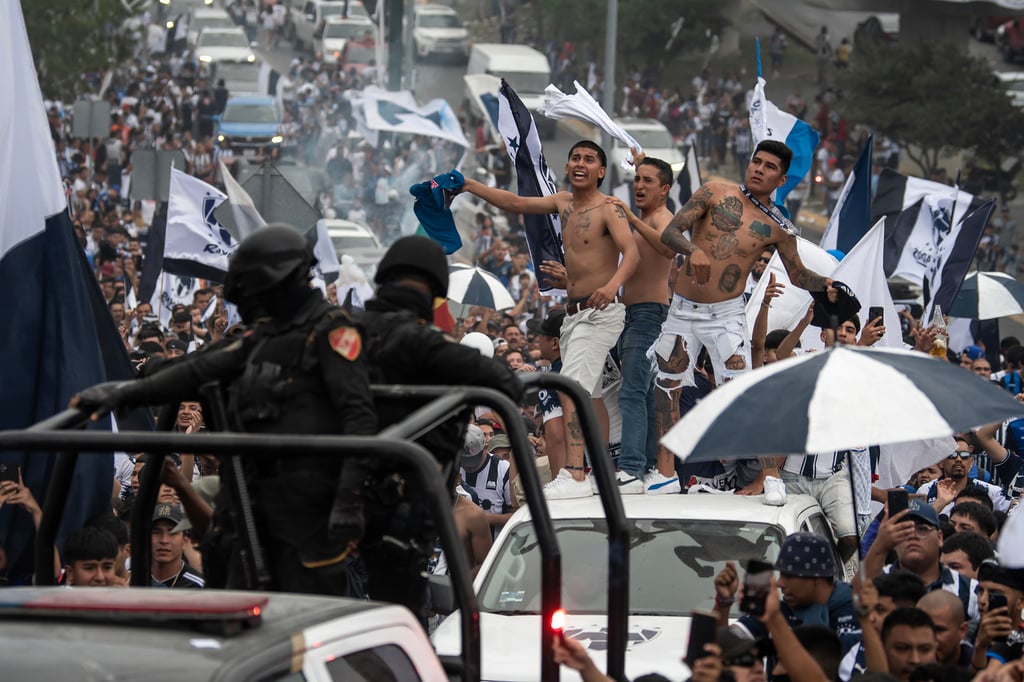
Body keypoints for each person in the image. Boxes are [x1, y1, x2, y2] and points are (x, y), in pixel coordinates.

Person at [72, 224, 378, 595]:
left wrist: (348, 502)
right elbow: (197, 368)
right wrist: (123, 392)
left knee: (296, 623)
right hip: (248, 504)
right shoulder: (262, 337)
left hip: (308, 515)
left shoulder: (331, 334)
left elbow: (359, 420)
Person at [653, 140, 839, 493]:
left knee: (745, 393)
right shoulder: (713, 191)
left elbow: (798, 274)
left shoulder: (777, 226)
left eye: (769, 166)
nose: (758, 169)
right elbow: (671, 232)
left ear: (781, 179)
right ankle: (663, 477)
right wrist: (694, 250)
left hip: (726, 314)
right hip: (681, 308)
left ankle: (769, 476)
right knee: (668, 387)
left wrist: (825, 284)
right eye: (756, 161)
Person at [459, 141, 640, 499]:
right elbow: (515, 203)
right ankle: (600, 469)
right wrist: (468, 184)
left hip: (598, 313)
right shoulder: (562, 202)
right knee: (595, 396)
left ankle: (574, 473)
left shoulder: (611, 209)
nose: (580, 164)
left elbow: (631, 253)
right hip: (574, 317)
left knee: (570, 389)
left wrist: (612, 285)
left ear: (602, 171)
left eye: (589, 159)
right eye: (575, 158)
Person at [356, 235, 523, 624]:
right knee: (400, 620)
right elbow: (509, 385)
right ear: (435, 292)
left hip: (331, 504)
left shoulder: (336, 336)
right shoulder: (432, 349)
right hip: (404, 509)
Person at [606, 155, 676, 493]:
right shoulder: (646, 219)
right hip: (628, 314)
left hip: (650, 314)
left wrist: (630, 215)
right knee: (643, 394)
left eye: (648, 181)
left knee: (632, 392)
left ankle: (631, 470)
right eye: (637, 179)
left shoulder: (665, 218)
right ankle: (647, 465)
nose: (639, 185)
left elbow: (666, 248)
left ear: (664, 189)